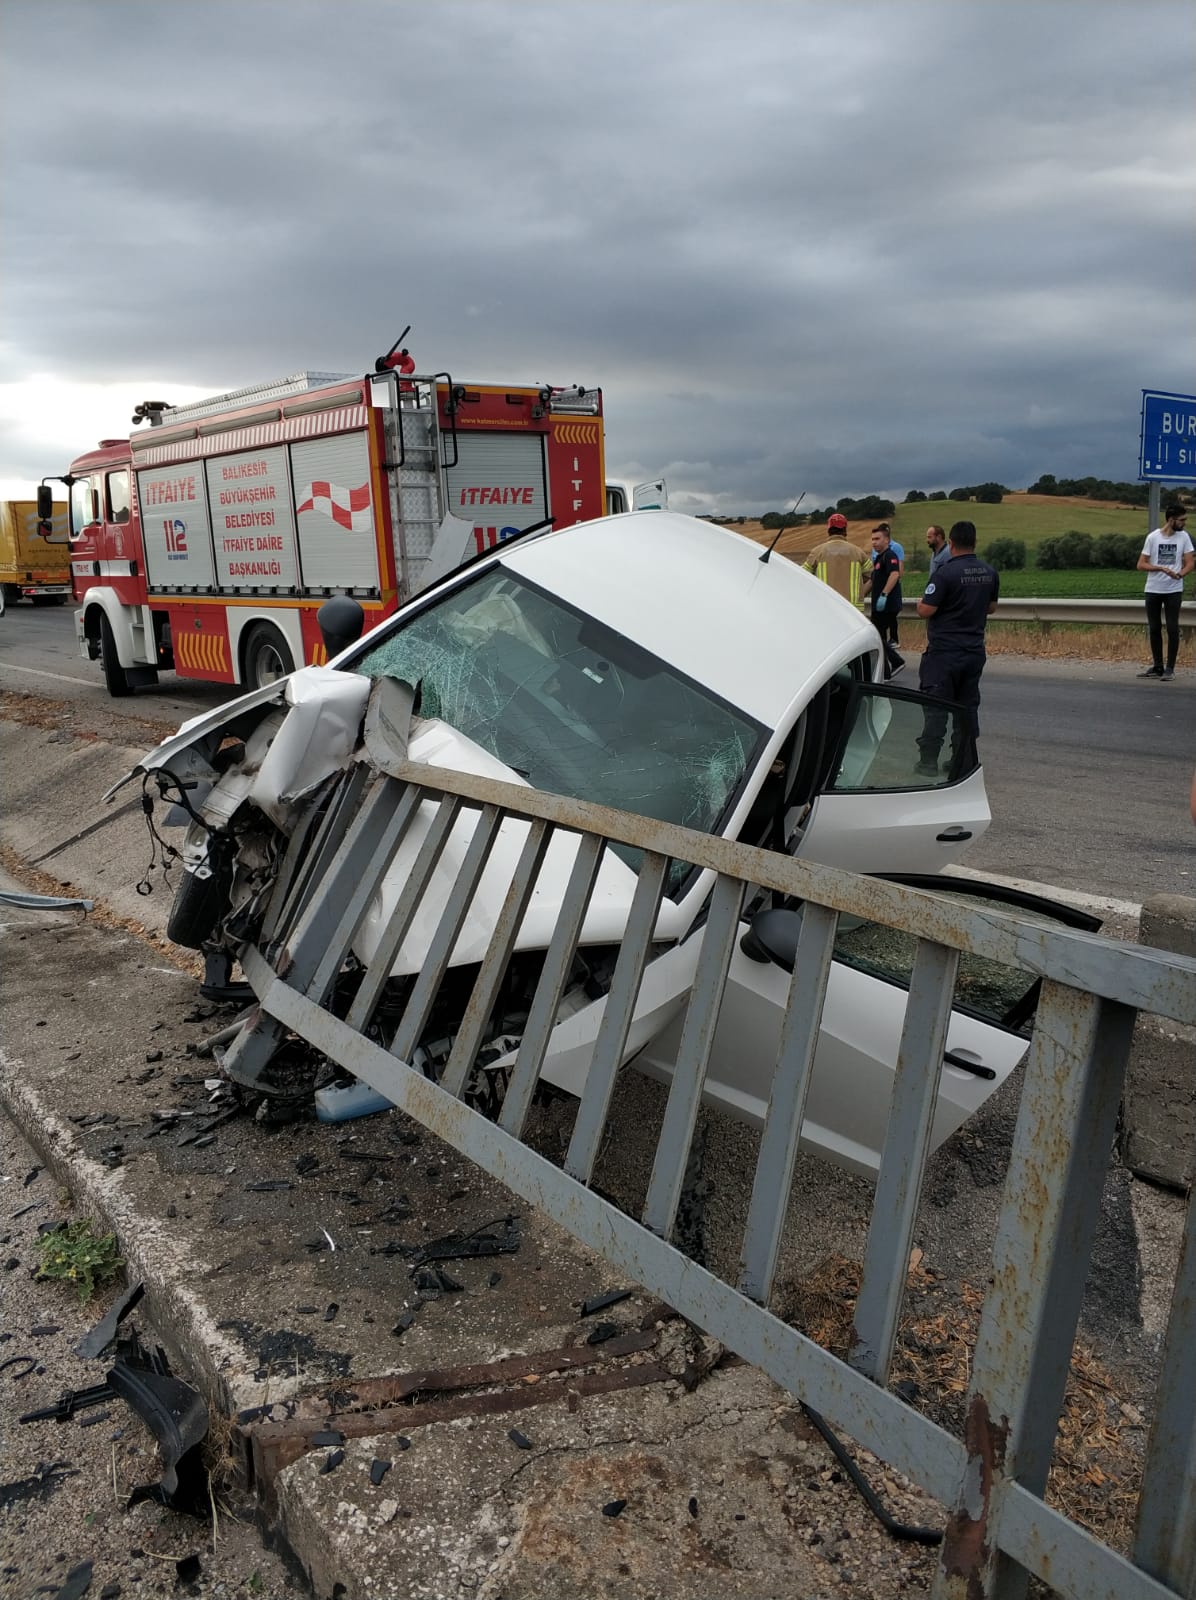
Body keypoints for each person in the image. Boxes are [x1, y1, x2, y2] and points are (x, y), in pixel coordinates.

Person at [914, 520, 999, 775]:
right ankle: (962, 762)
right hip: (973, 651)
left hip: (944, 653)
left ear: (950, 543)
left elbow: (926, 610)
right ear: (975, 542)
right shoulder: (989, 572)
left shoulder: (945, 573)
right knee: (967, 707)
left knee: (936, 707)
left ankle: (928, 762)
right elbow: (991, 607)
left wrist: (920, 603)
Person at [1136, 503, 1193, 680]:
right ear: (1171, 519)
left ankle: (1170, 668)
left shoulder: (1184, 537)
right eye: (1181, 520)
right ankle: (1158, 666)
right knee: (1154, 628)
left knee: (1172, 627)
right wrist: (1160, 568)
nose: (1184, 523)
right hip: (1153, 589)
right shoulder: (1153, 537)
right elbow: (1141, 564)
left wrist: (1180, 574)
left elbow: (1190, 562)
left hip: (1173, 590)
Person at [802, 512, 871, 605]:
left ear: (829, 530)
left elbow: (802, 576)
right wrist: (861, 595)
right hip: (853, 607)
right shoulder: (858, 552)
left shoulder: (817, 552)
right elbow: (873, 577)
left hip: (827, 606)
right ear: (845, 530)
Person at [866, 526, 904, 678]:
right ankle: (886, 672)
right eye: (872, 539)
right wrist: (859, 595)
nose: (874, 542)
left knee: (877, 637)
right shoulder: (879, 558)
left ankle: (895, 662)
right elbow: (872, 581)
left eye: (877, 539)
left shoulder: (890, 556)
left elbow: (895, 574)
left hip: (886, 605)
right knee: (879, 637)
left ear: (887, 540)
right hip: (879, 605)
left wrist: (884, 594)